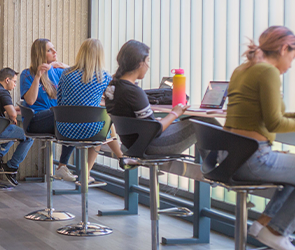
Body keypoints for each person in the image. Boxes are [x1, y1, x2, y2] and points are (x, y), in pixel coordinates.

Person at [218, 26, 295, 250]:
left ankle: (264, 225)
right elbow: (275, 123)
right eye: (292, 56)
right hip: (252, 159)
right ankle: (277, 232)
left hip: (230, 157)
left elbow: (272, 117)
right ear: (283, 49)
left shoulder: (243, 69)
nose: (291, 65)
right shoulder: (267, 71)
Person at [105, 40, 218, 156]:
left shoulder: (113, 87)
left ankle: (212, 166)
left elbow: (142, 123)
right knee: (205, 121)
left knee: (192, 122)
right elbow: (154, 130)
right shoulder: (133, 92)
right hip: (150, 146)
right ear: (139, 63)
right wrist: (175, 113)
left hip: (132, 144)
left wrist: (154, 121)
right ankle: (222, 167)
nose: (148, 66)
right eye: (147, 61)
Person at [57, 38, 123, 186]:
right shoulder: (104, 77)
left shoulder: (66, 73)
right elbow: (113, 101)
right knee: (100, 131)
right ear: (100, 55)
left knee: (98, 126)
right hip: (91, 130)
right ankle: (86, 173)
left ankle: (120, 157)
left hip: (64, 128)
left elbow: (59, 100)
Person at [20, 38, 76, 181]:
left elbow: (80, 75)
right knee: (65, 113)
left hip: (54, 117)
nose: (55, 52)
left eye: (54, 48)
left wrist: (64, 65)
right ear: (40, 53)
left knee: (75, 119)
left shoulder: (57, 72)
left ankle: (62, 166)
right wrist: (38, 76)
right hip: (35, 120)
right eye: (50, 50)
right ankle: (62, 166)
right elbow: (30, 101)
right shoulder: (27, 74)